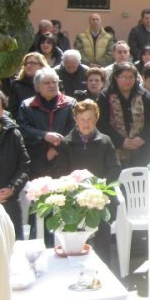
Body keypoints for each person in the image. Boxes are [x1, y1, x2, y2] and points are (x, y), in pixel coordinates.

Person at [56, 99, 121, 257]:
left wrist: (98, 188)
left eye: (90, 119)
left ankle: (103, 267)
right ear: (76, 120)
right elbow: (61, 172)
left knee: (102, 242)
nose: (86, 123)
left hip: (100, 199)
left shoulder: (105, 141)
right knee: (77, 244)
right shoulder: (66, 143)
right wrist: (75, 190)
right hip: (74, 201)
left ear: (96, 119)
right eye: (82, 119)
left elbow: (115, 168)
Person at [0, 88, 30, 240]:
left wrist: (12, 188)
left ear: (3, 110)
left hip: (10, 205)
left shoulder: (13, 134)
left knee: (14, 248)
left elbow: (24, 165)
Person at [17, 67, 76, 179]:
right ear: (38, 86)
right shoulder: (27, 105)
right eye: (47, 83)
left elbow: (74, 128)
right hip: (36, 160)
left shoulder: (70, 104)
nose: (52, 85)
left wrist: (57, 148)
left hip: (64, 159)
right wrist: (43, 135)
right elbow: (22, 129)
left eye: (54, 82)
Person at [97, 61, 150, 168]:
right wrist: (121, 141)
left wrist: (142, 138)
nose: (128, 80)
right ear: (116, 77)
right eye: (124, 77)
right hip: (114, 150)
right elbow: (101, 123)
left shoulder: (144, 94)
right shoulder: (105, 96)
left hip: (141, 150)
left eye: (131, 77)